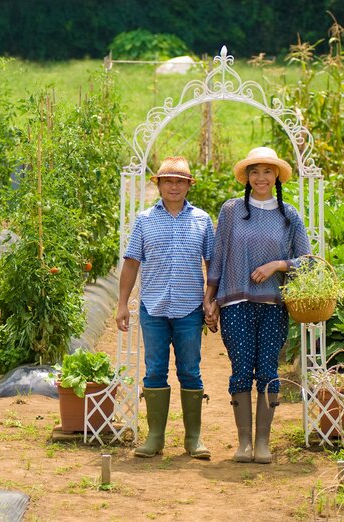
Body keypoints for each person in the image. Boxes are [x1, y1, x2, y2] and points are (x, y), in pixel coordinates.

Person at [204, 147, 311, 464]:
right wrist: (210, 299)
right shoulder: (231, 211)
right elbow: (219, 258)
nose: (260, 177)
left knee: (267, 370)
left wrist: (278, 264)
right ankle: (244, 443)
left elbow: (306, 263)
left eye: (267, 171)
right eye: (254, 172)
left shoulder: (288, 215)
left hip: (274, 305)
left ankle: (263, 442)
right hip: (236, 302)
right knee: (240, 371)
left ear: (276, 175)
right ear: (247, 177)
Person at [116, 156, 215, 459]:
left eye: (180, 181)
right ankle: (155, 438)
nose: (174, 186)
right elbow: (132, 263)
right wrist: (122, 304)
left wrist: (211, 300)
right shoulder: (145, 220)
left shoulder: (202, 220)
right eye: (168, 181)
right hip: (153, 307)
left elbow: (212, 264)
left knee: (190, 370)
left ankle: (193, 438)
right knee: (155, 370)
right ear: (158, 185)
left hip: (189, 309)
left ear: (188, 186)